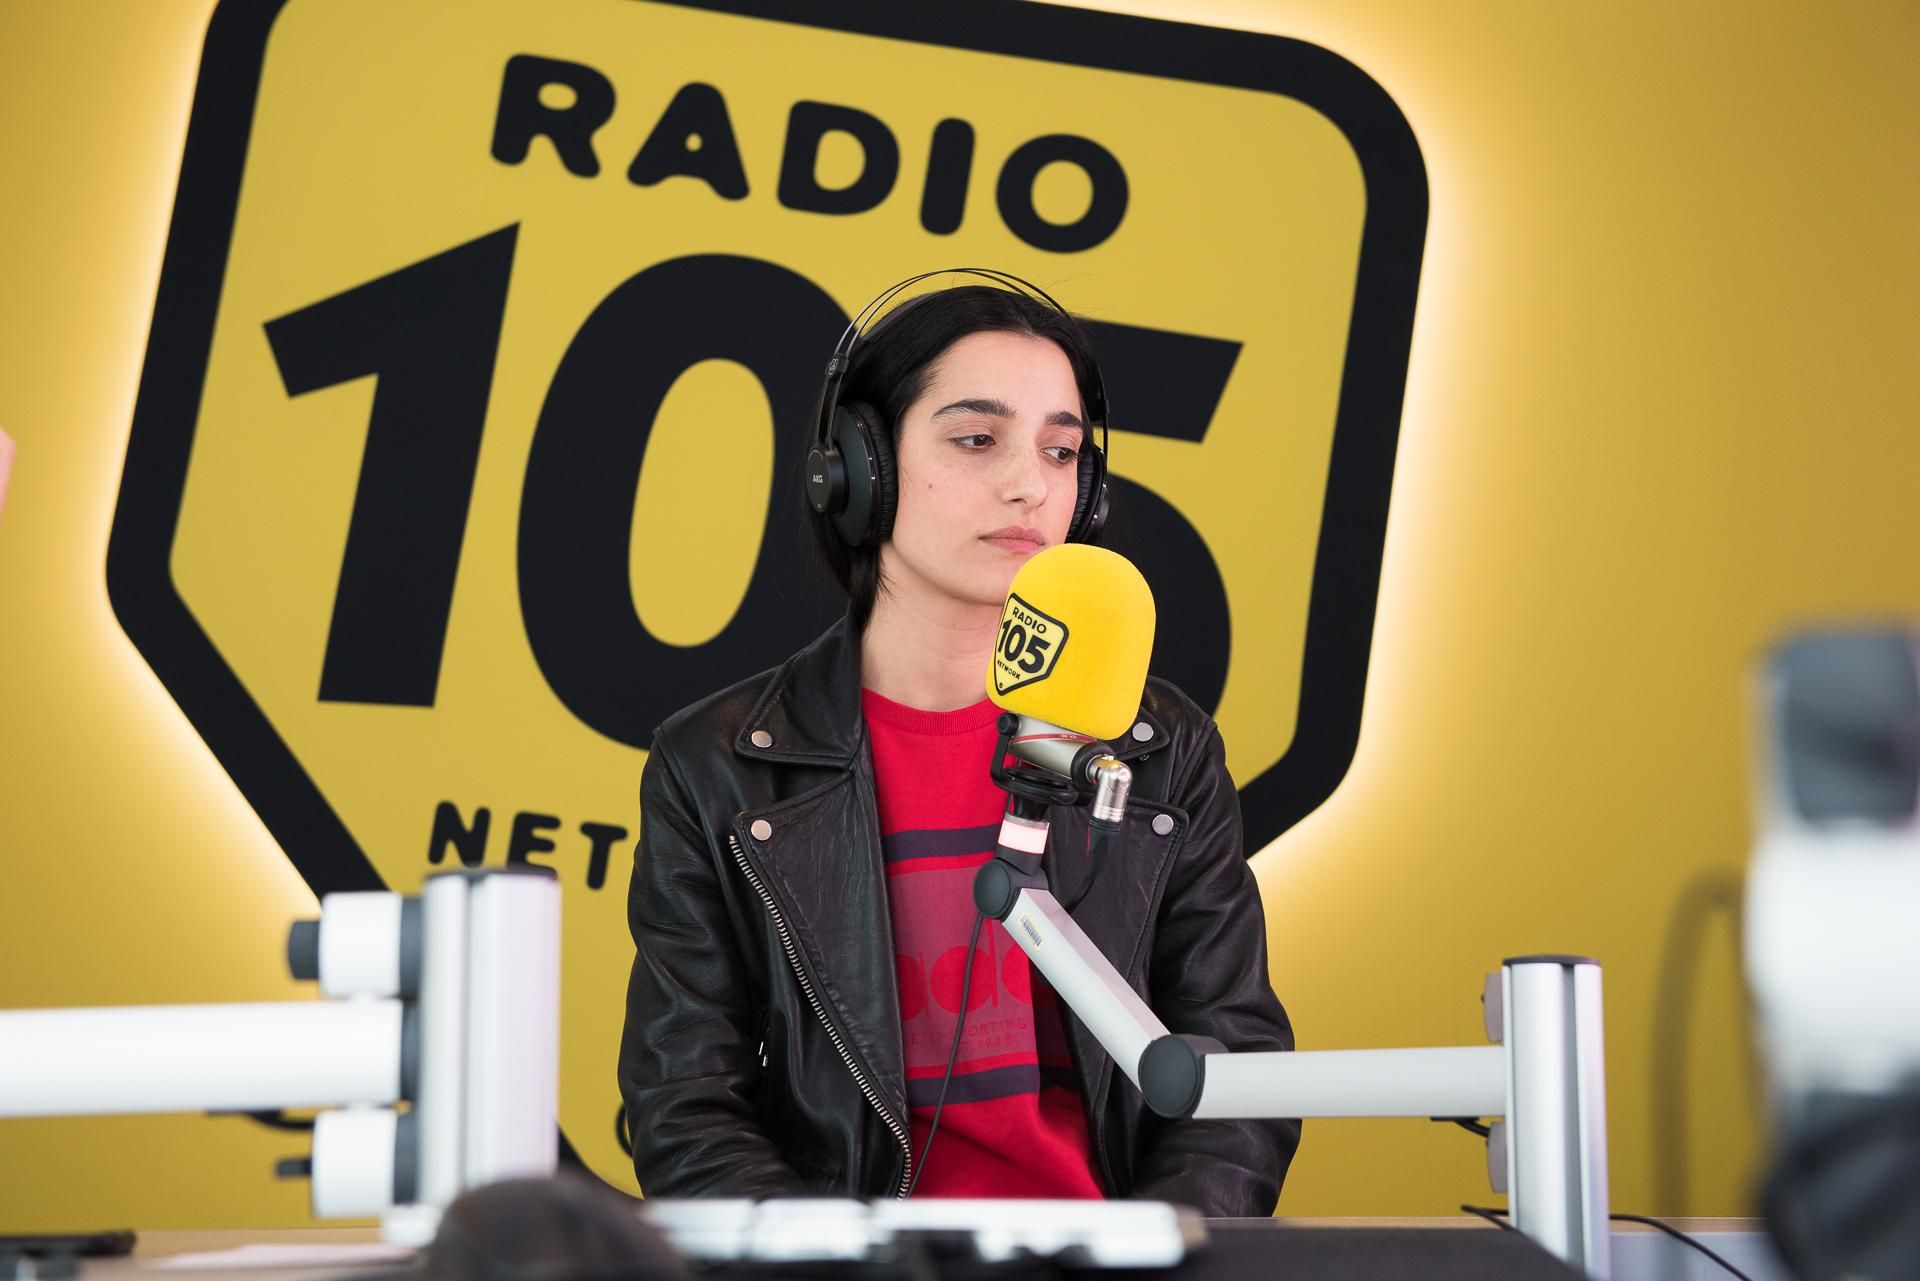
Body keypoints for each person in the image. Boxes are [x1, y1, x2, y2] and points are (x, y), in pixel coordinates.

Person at [618, 274, 1299, 1212]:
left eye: (1061, 451)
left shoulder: (1158, 747)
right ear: (859, 470)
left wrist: (1150, 1256)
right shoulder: (718, 766)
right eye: (977, 439)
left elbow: (1238, 1078)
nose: (1030, 484)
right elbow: (685, 1105)